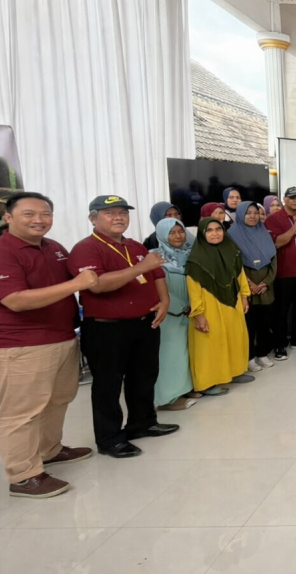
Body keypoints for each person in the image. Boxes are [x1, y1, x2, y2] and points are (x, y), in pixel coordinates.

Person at [0, 192, 96, 498]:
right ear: (8, 217)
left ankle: (50, 450)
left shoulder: (54, 248)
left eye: (45, 214)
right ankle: (24, 476)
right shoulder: (4, 250)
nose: (39, 220)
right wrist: (76, 285)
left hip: (62, 337)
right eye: (29, 214)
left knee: (58, 399)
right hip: (21, 345)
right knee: (22, 411)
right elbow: (14, 300)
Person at [69, 195, 177, 459]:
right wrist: (141, 266)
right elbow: (98, 284)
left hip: (144, 323)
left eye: (123, 213)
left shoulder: (134, 246)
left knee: (144, 376)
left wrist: (164, 301)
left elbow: (157, 274)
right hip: (107, 329)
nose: (119, 218)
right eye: (110, 213)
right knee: (108, 384)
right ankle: (109, 438)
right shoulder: (86, 248)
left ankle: (142, 422)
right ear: (92, 218)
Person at [186, 217, 252, 394]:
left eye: (218, 229)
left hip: (232, 300)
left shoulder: (232, 250)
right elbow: (193, 288)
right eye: (209, 230)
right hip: (209, 304)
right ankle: (208, 383)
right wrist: (198, 313)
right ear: (202, 233)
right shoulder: (196, 257)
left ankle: (235, 371)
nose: (215, 233)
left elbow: (240, 275)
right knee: (211, 343)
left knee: (234, 337)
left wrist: (245, 295)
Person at [264, 187, 296, 358]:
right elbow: (277, 243)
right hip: (283, 273)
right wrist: (294, 229)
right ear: (285, 199)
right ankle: (280, 344)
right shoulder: (274, 219)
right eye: (292, 198)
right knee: (282, 311)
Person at [152, 219, 197, 410]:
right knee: (170, 355)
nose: (178, 236)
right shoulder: (154, 257)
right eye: (172, 233)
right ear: (162, 235)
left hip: (192, 311)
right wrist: (180, 306)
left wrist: (194, 305)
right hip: (170, 314)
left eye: (181, 231)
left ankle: (184, 388)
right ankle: (167, 399)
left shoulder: (190, 253)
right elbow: (156, 288)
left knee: (187, 351)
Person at [229, 201, 278, 372]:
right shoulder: (232, 235)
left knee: (264, 323)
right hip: (245, 288)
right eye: (248, 212)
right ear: (241, 214)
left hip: (265, 287)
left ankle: (262, 354)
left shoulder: (263, 232)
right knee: (248, 325)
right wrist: (248, 284)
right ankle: (249, 357)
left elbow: (273, 259)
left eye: (255, 212)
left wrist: (266, 282)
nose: (252, 216)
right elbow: (233, 263)